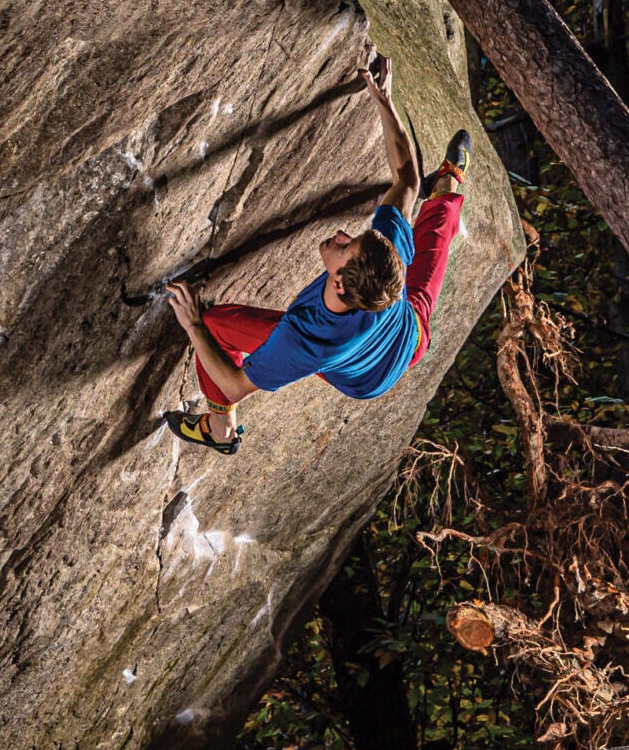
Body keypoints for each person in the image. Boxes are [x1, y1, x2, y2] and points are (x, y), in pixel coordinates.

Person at [161, 48, 471, 454]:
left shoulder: (307, 340)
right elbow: (407, 179)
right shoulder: (385, 255)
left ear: (339, 284)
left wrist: (192, 326)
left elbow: (237, 384)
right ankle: (449, 181)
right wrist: (384, 102)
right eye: (355, 236)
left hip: (364, 378)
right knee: (437, 233)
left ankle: (220, 432)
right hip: (411, 333)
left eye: (345, 246)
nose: (342, 234)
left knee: (215, 325)